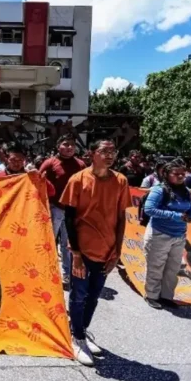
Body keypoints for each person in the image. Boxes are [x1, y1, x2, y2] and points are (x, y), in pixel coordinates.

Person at [59, 139, 132, 367]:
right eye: (104, 151)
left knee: (94, 295)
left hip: (107, 250)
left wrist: (117, 251)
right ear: (92, 154)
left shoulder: (121, 181)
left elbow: (121, 218)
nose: (110, 155)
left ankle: (82, 330)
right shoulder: (77, 180)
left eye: (113, 151)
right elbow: (69, 219)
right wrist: (76, 254)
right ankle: (77, 337)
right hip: (82, 250)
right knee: (79, 295)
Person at [142, 160, 191, 310]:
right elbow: (149, 209)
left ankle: (166, 296)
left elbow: (190, 208)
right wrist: (175, 215)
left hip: (179, 236)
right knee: (156, 267)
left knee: (173, 269)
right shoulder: (159, 190)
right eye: (176, 174)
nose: (180, 176)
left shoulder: (186, 191)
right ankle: (152, 296)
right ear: (166, 174)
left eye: (183, 174)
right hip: (159, 234)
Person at [39, 135, 86, 284]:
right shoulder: (49, 163)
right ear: (58, 146)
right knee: (48, 242)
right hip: (54, 208)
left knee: (68, 244)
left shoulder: (81, 164)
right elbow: (38, 182)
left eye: (72, 145)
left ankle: (67, 274)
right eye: (66, 144)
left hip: (72, 210)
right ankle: (45, 272)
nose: (69, 147)